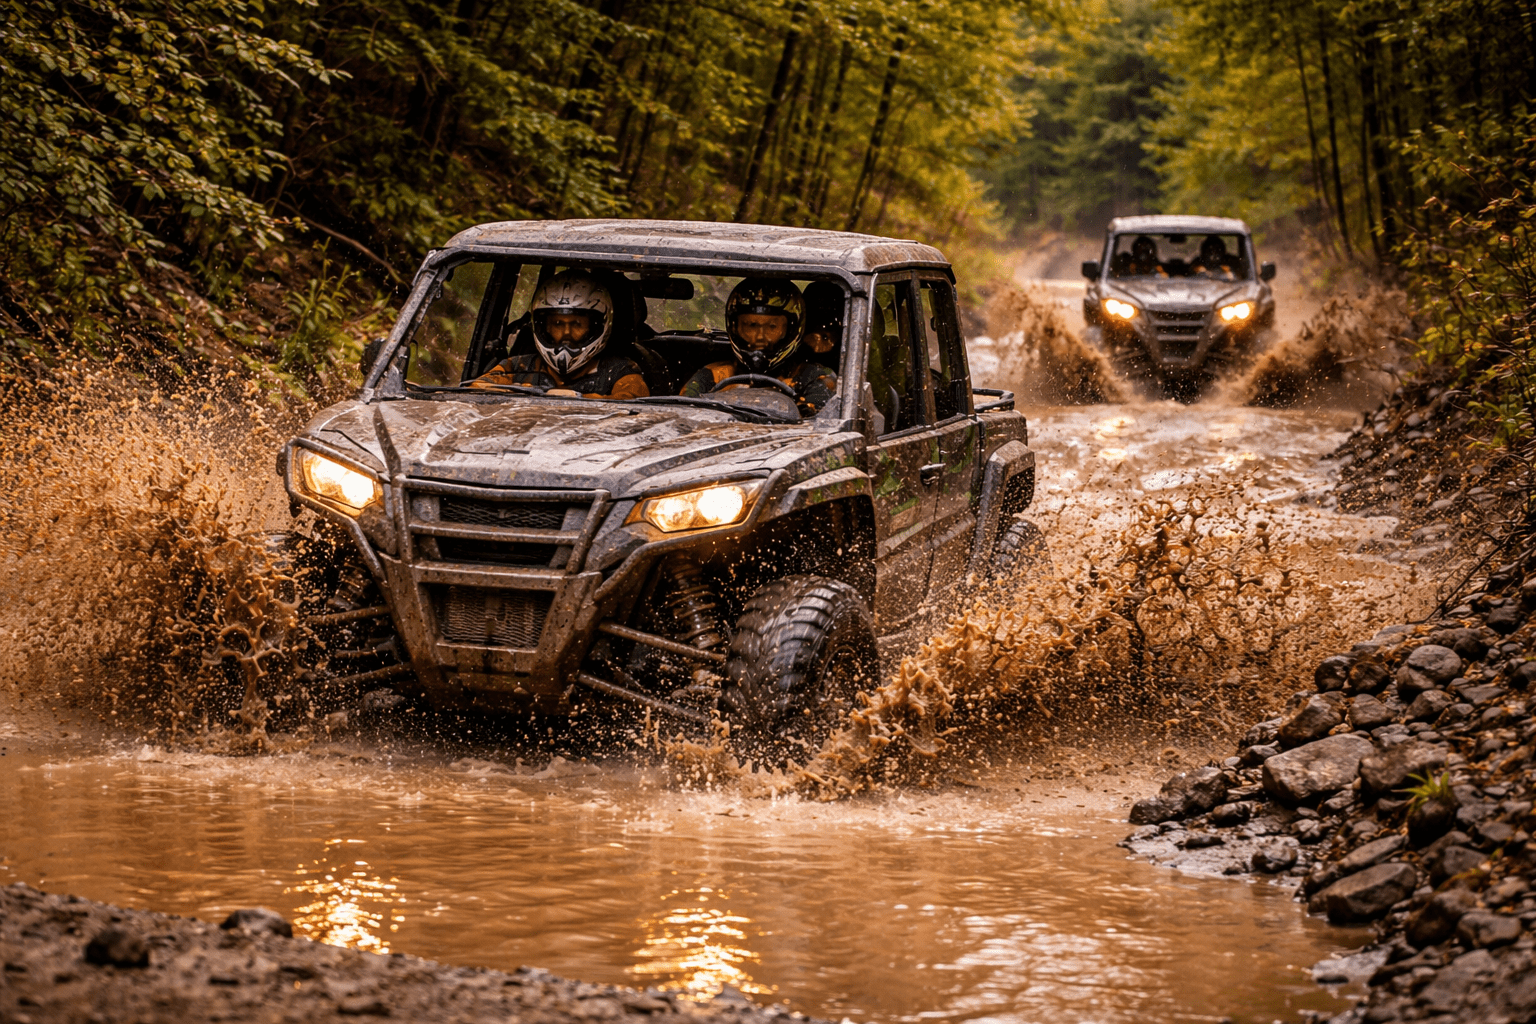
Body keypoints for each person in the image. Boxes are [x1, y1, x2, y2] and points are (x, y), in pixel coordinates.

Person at [471, 270, 649, 399]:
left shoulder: (620, 371)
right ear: (542, 326)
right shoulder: (517, 366)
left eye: (577, 324)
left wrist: (578, 399)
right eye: (557, 324)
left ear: (597, 326)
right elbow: (475, 391)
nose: (566, 333)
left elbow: (631, 402)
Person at [679, 277, 837, 417]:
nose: (760, 336)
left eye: (772, 327)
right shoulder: (712, 375)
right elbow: (682, 416)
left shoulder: (813, 377)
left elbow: (818, 427)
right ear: (734, 327)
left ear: (792, 330)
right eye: (751, 325)